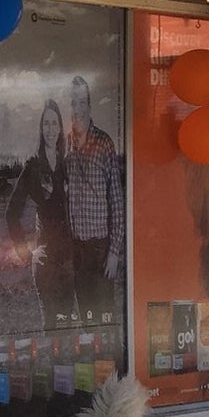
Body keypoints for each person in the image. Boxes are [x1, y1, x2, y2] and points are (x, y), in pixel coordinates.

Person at [5, 99, 77, 330]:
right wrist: (27, 253)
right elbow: (11, 214)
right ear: (41, 128)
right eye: (46, 123)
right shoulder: (33, 166)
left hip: (69, 261)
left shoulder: (68, 165)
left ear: (60, 127)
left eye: (54, 123)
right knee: (52, 327)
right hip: (46, 262)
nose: (50, 129)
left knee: (66, 326)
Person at [65, 76, 124, 326]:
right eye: (73, 103)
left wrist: (113, 253)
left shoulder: (103, 142)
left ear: (89, 106)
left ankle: (109, 365)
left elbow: (117, 203)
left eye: (82, 103)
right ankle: (90, 363)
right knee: (87, 318)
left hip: (100, 248)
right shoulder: (67, 144)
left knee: (104, 315)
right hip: (76, 248)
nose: (77, 109)